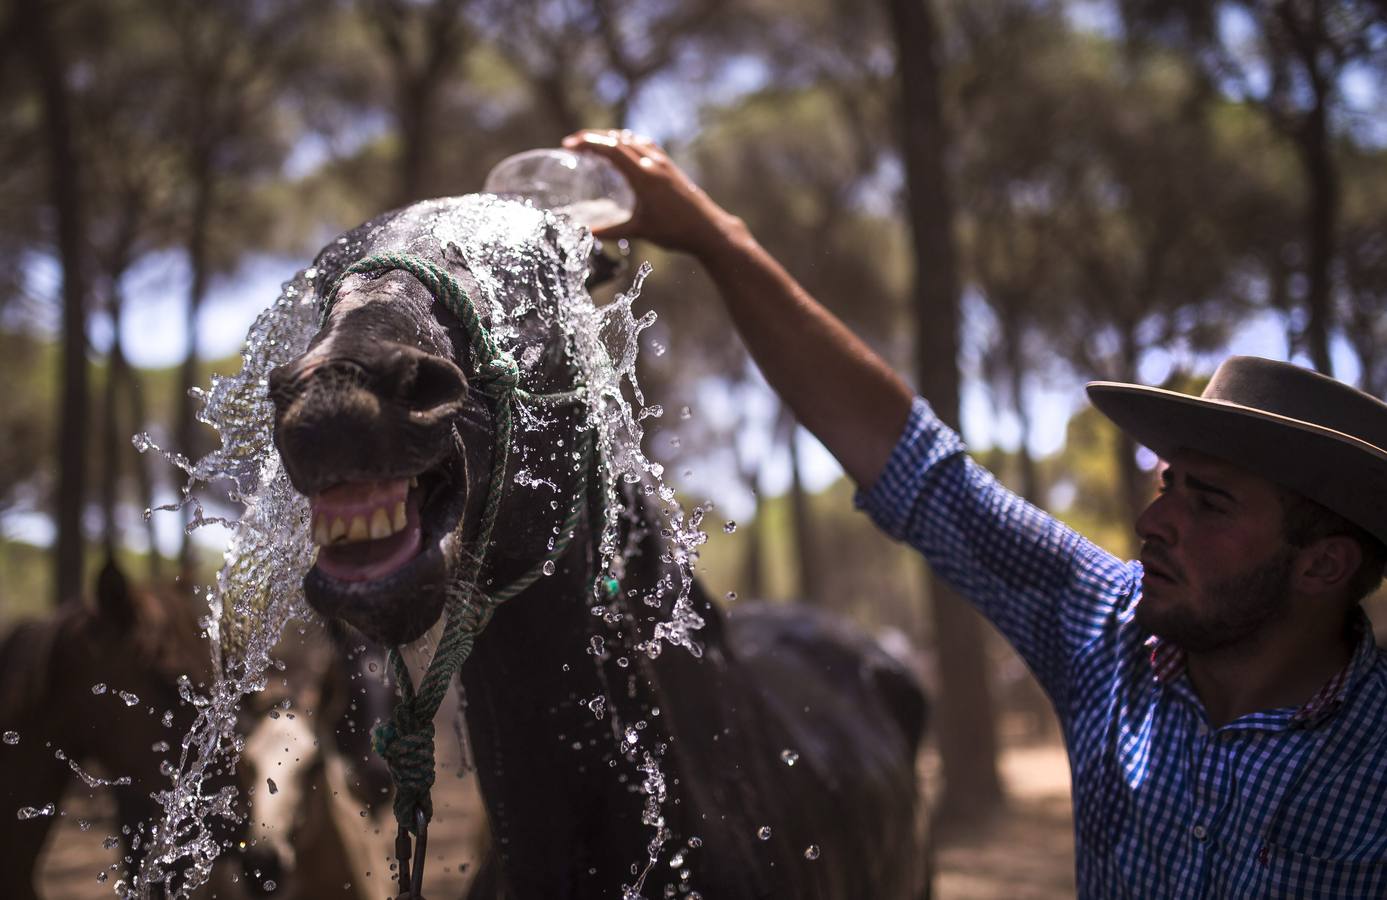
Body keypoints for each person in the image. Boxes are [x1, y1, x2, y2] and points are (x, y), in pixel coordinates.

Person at [563, 128, 1387, 897]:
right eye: (1168, 484)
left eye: (1207, 503)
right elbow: (916, 465)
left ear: (1322, 564)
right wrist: (715, 237)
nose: (1152, 522)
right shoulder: (1109, 636)